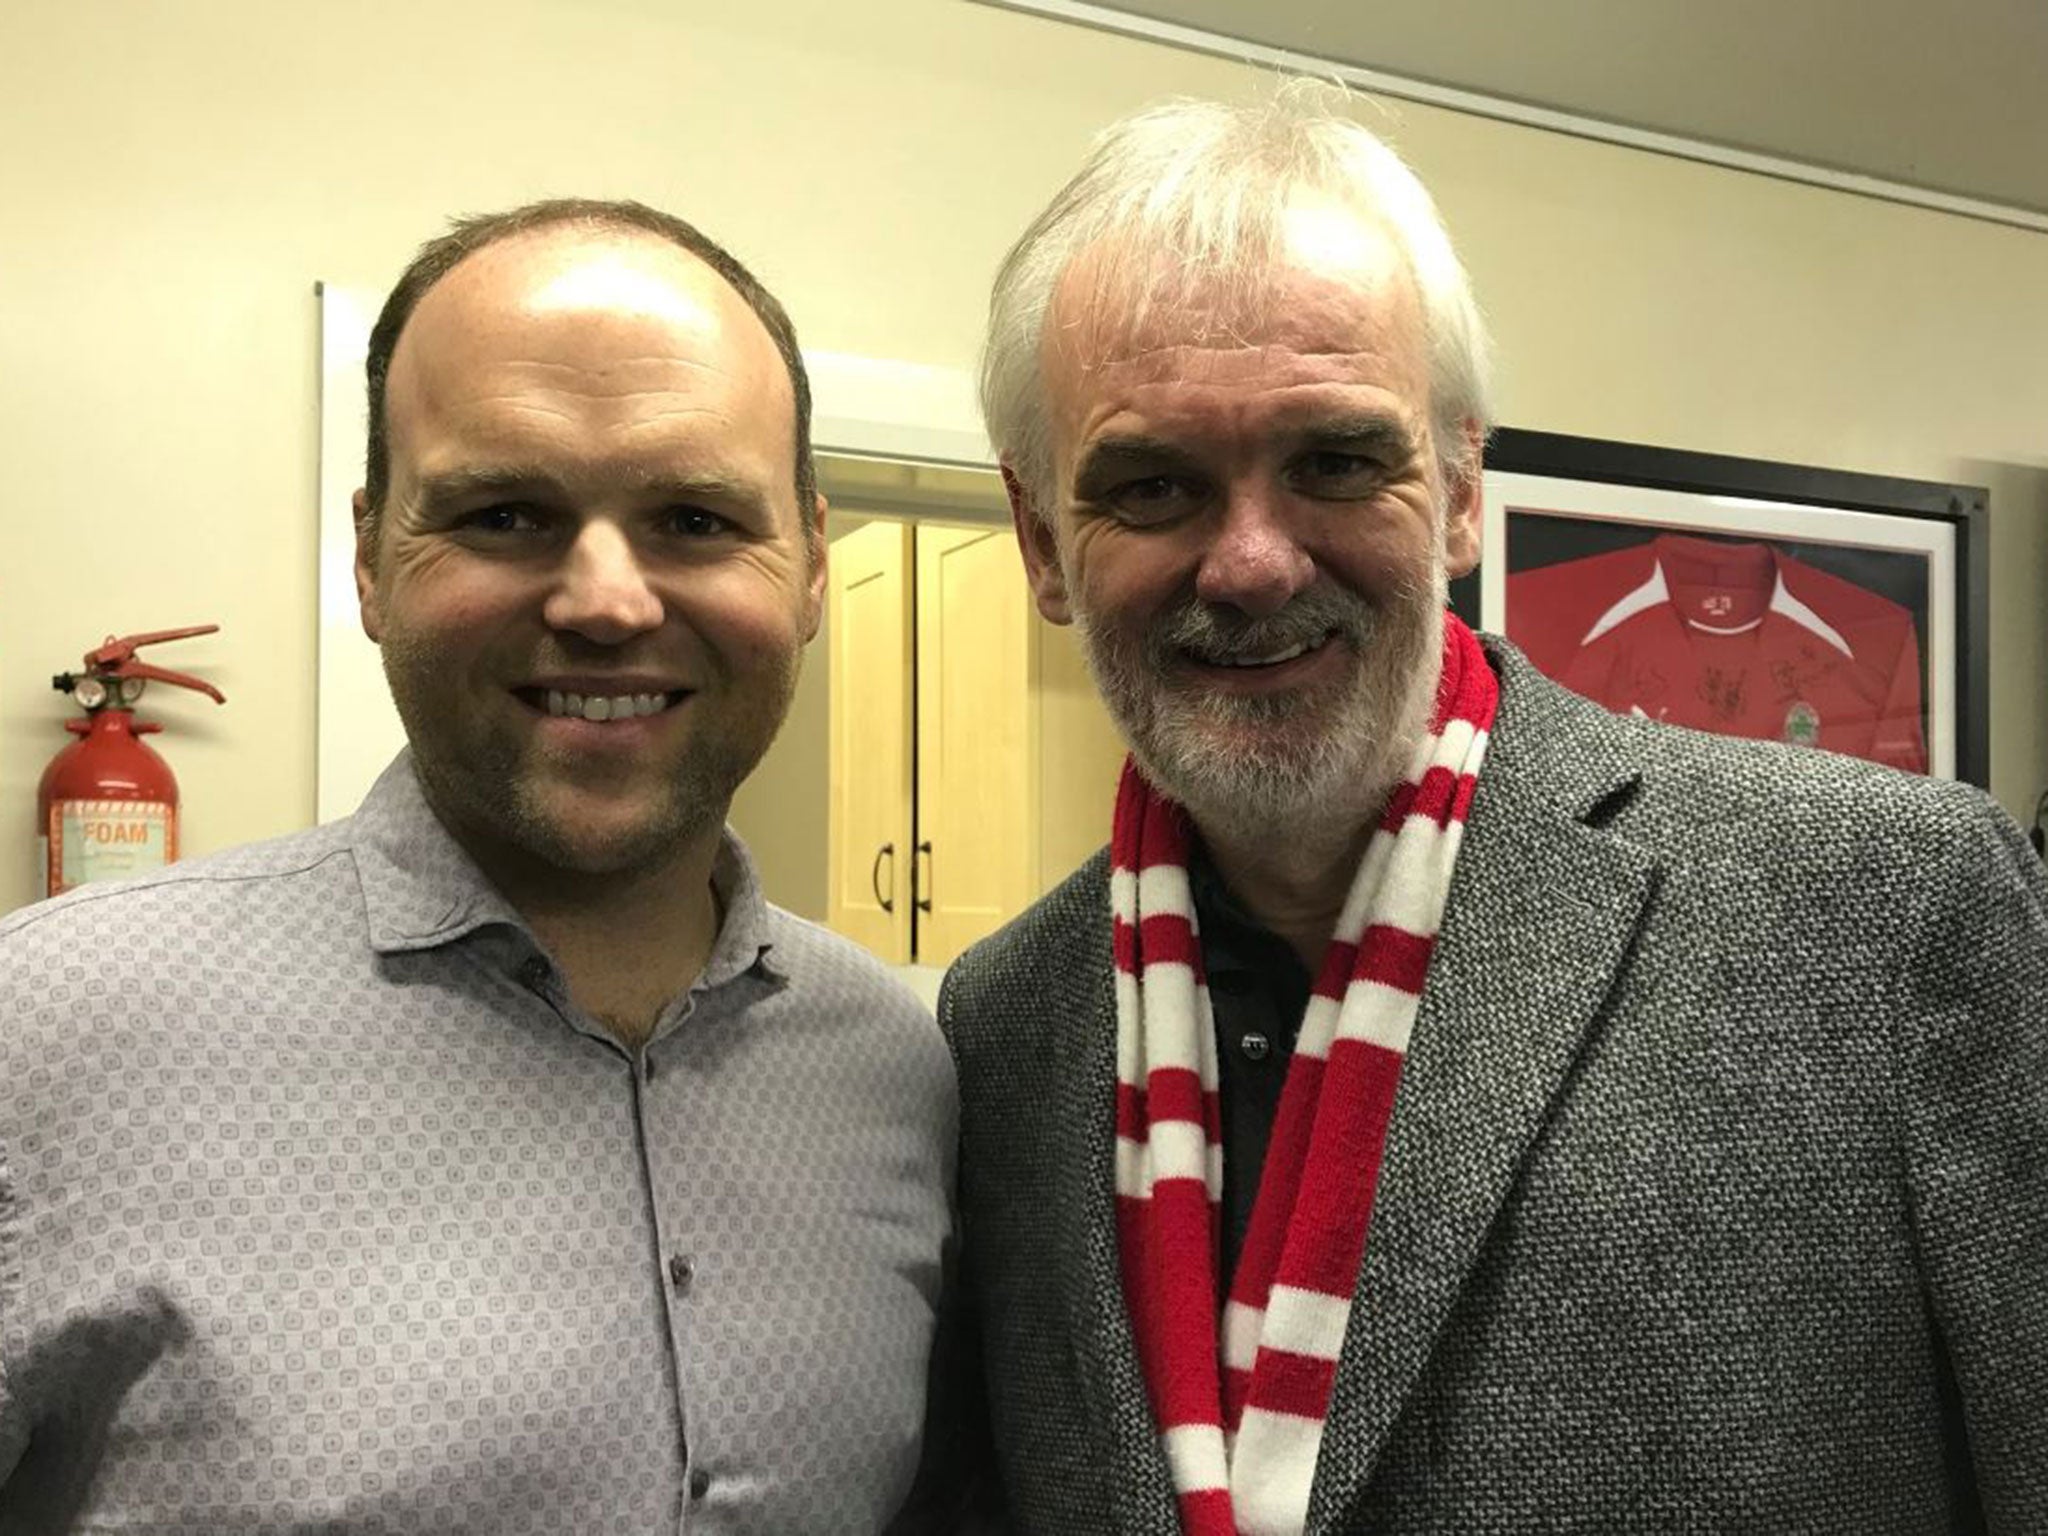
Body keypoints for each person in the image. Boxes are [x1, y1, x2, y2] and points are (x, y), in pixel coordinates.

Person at [939, 96, 2048, 1534]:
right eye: (1153, 487)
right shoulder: (1007, 1020)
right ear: (1042, 544)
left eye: (1337, 461)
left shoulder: (1889, 910)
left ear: (1461, 489)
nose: (1254, 563)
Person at [0, 199, 955, 1533]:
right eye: (506, 513)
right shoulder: (42, 1038)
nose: (608, 600)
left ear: (805, 563)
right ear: (372, 558)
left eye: (693, 516)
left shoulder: (898, 1071)